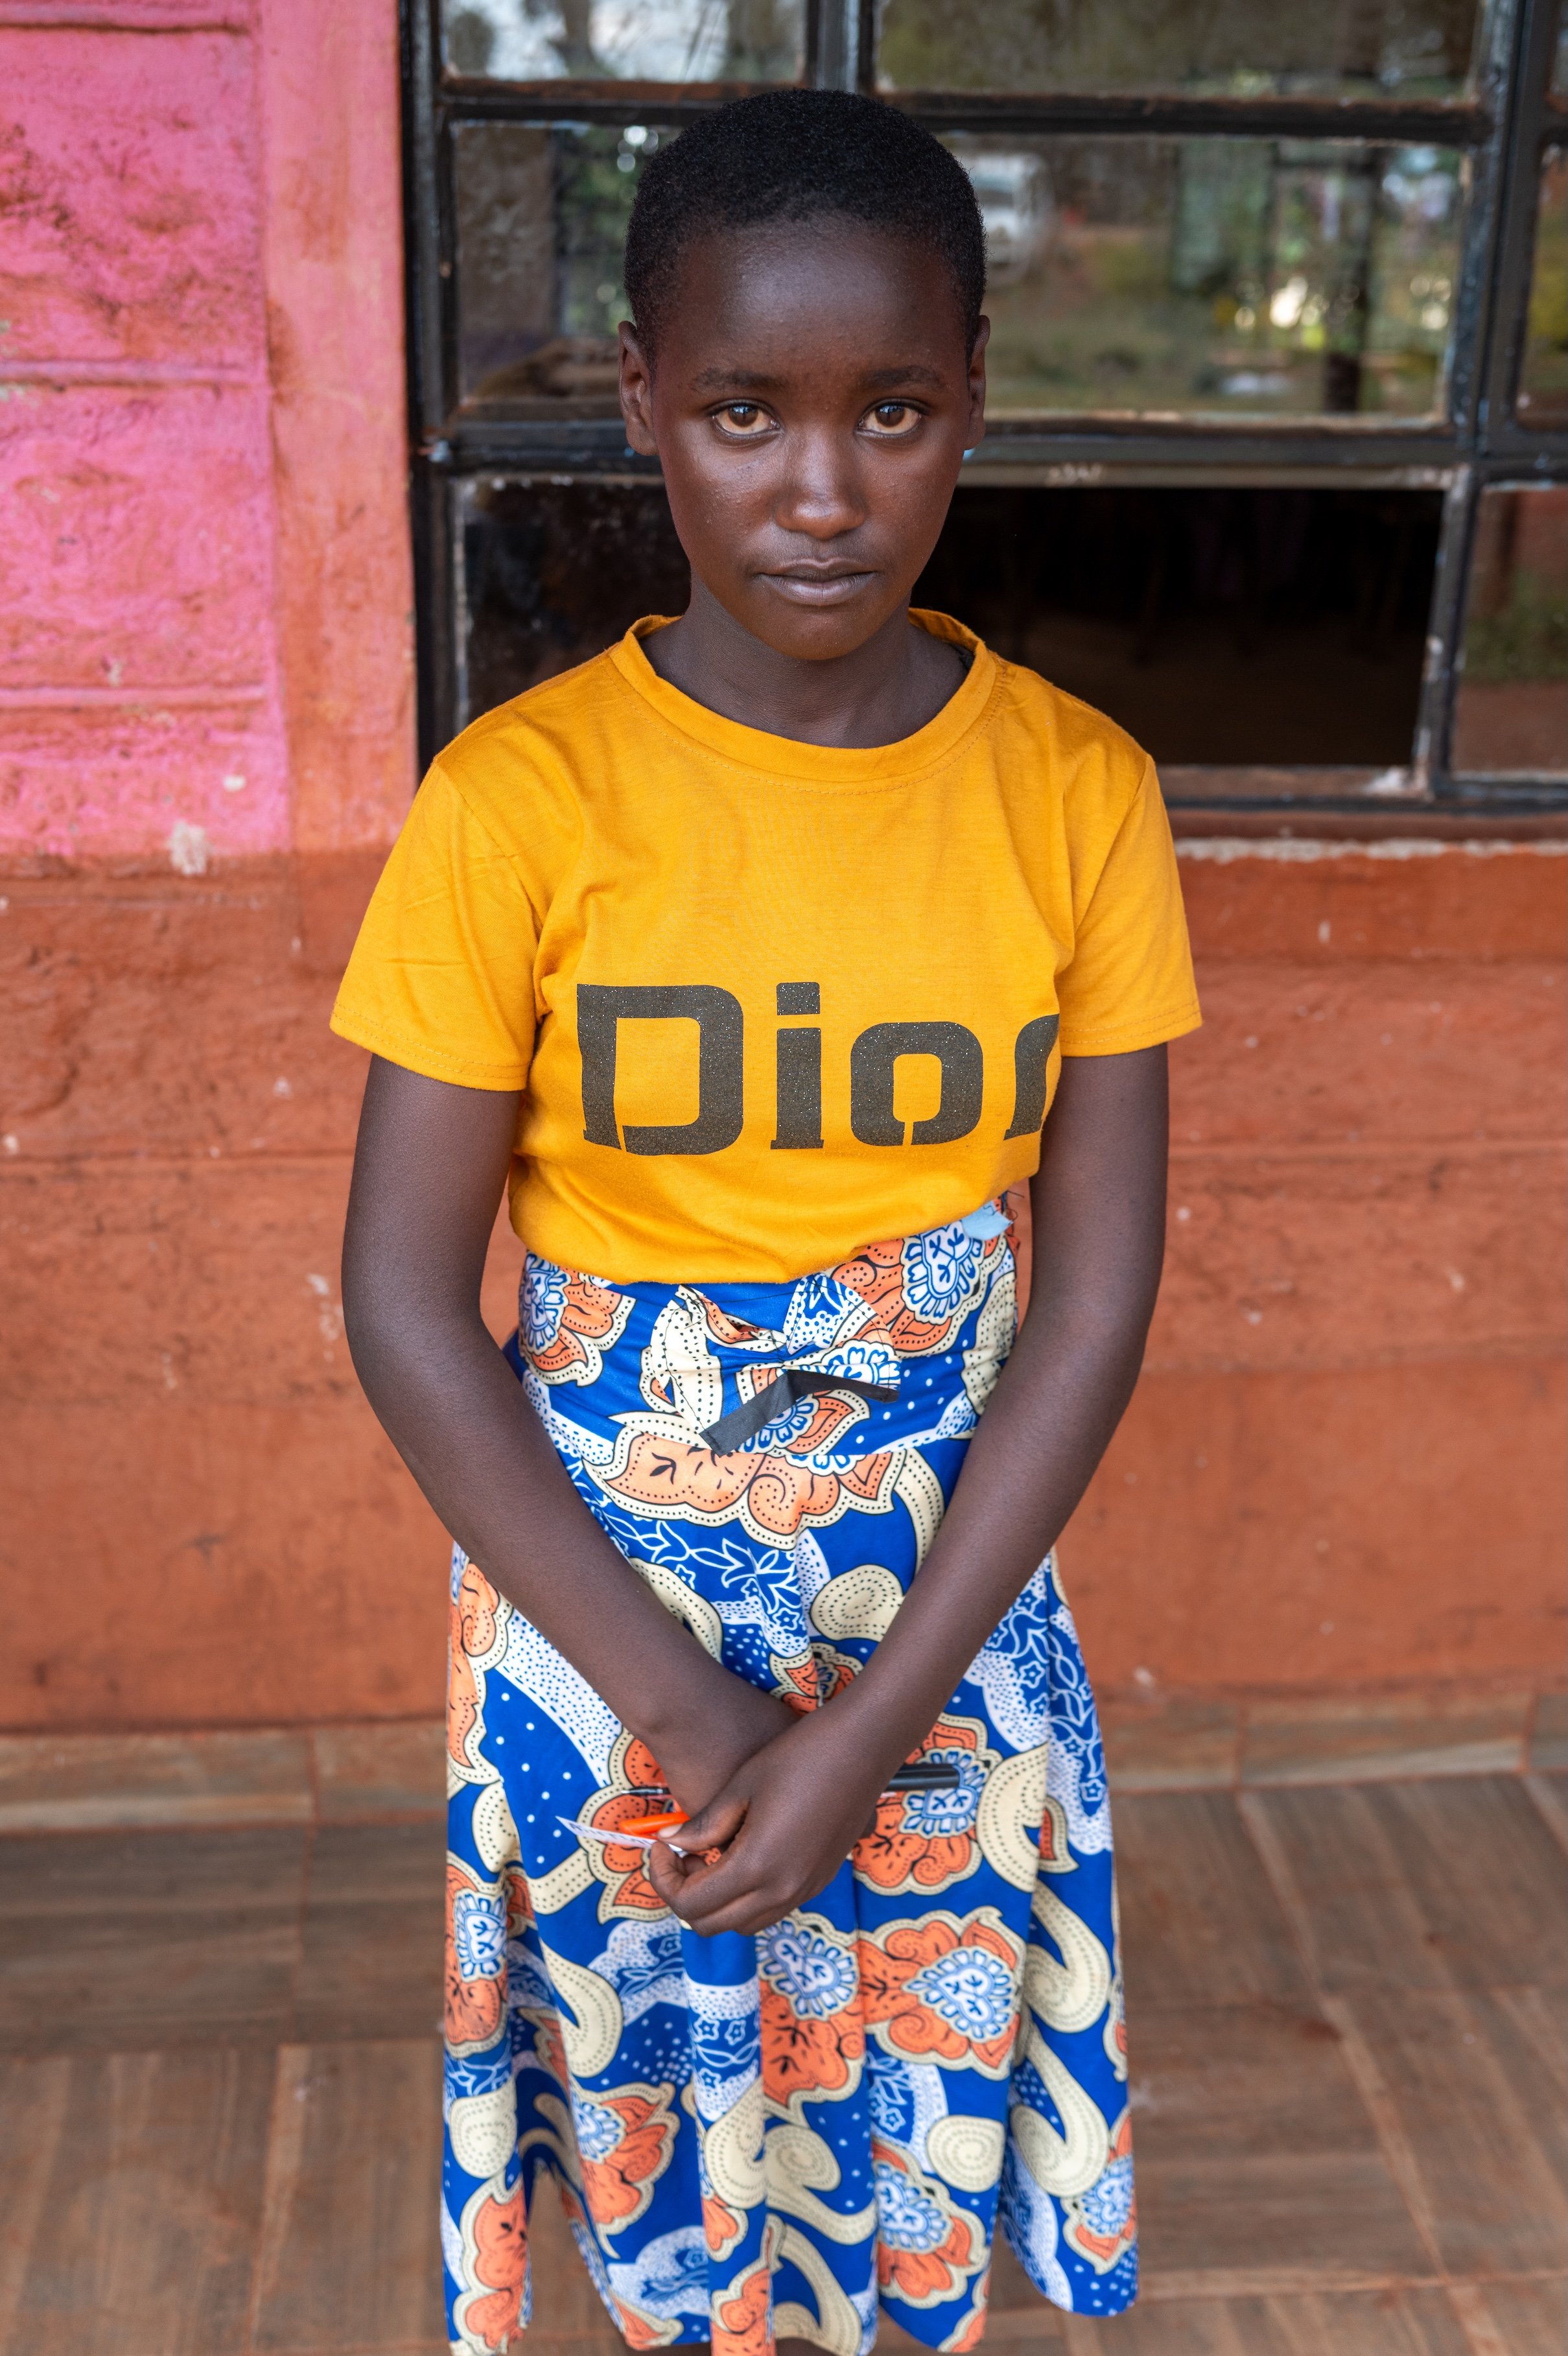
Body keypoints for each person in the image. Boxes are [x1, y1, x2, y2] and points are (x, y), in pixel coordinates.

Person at [334, 87, 1199, 2356]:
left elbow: (1092, 1293)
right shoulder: (516, 805)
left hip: (951, 1587)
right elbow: (410, 1306)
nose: (820, 488)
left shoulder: (1076, 794)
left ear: (970, 406)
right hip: (598, 1611)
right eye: (743, 410)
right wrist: (697, 1715)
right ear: (644, 403)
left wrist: (875, 1718)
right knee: (660, 2163)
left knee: (899, 2169)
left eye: (890, 410)